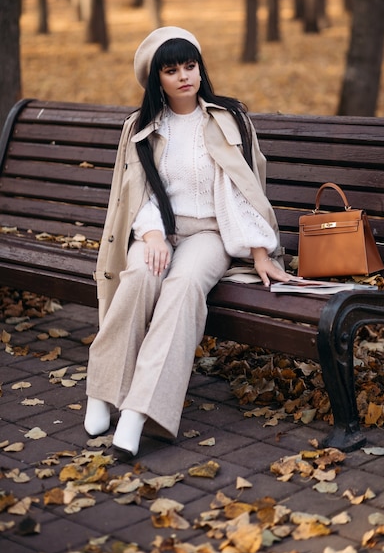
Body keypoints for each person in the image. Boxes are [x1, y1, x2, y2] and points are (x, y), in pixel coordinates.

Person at [84, 26, 293, 459]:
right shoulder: (142, 127)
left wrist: (259, 249)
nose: (184, 76)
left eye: (190, 66)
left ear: (200, 69)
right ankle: (103, 391)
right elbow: (135, 192)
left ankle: (139, 411)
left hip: (212, 234)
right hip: (157, 227)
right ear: (156, 79)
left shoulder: (228, 118)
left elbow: (244, 188)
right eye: (172, 69)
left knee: (182, 287)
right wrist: (156, 234)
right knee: (141, 274)